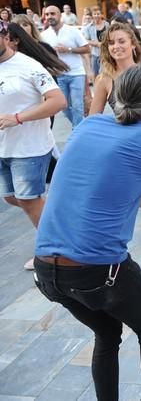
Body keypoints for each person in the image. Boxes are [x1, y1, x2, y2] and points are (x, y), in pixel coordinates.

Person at [33, 64, 141, 401]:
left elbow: (102, 185)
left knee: (107, 331)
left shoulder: (89, 125)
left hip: (46, 272)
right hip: (98, 271)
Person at [89, 22, 141, 252]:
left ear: (133, 45)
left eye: (121, 41)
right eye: (111, 43)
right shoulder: (105, 79)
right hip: (123, 145)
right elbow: (93, 118)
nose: (116, 47)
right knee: (126, 191)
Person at [0, 27, 67, 270]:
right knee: (10, 197)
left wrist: (18, 118)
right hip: (3, 148)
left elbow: (58, 101)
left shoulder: (29, 66)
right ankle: (60, 218)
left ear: (6, 37)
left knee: (28, 201)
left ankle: (55, 251)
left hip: (29, 147)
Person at [39, 5, 90, 128]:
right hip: (58, 75)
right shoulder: (44, 35)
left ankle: (77, 132)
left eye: (52, 14)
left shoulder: (72, 30)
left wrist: (68, 49)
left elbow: (87, 48)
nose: (50, 16)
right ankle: (81, 128)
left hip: (76, 73)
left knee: (77, 105)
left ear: (60, 15)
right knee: (63, 106)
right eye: (47, 14)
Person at [83, 6, 109, 77]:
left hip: (106, 52)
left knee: (107, 72)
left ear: (101, 15)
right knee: (96, 73)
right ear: (92, 16)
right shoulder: (88, 27)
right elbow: (86, 40)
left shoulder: (107, 25)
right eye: (94, 14)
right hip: (95, 53)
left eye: (98, 14)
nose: (96, 16)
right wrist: (96, 43)